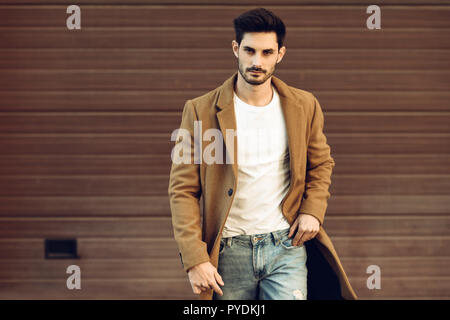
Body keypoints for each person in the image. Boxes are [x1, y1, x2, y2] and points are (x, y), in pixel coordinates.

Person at [168, 7, 357, 300]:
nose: (257, 61)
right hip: (229, 251)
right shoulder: (199, 110)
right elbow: (182, 191)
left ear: (280, 54)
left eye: (267, 52)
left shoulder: (304, 105)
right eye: (250, 51)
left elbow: (321, 164)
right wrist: (195, 259)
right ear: (236, 49)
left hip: (286, 247)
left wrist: (312, 211)